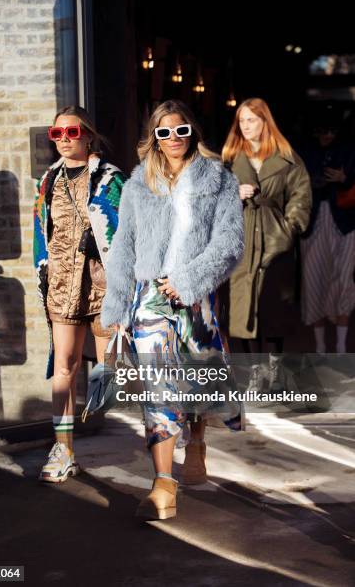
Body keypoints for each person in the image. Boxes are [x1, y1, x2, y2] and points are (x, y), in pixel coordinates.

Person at [101, 99, 244, 520]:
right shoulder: (136, 185)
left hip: (195, 296)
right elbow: (122, 248)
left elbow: (229, 243)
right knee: (157, 385)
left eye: (181, 130)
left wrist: (187, 281)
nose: (174, 139)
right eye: (164, 132)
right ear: (154, 138)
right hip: (149, 298)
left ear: (192, 132)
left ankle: (196, 440)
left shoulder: (217, 179)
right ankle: (164, 483)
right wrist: (117, 305)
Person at [34, 105, 127, 482]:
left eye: (71, 133)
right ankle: (64, 450)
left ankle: (158, 441)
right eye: (57, 134)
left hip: (103, 285)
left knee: (109, 371)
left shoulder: (110, 178)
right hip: (62, 284)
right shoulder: (48, 180)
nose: (63, 140)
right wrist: (44, 273)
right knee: (63, 368)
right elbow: (41, 234)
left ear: (88, 134)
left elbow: (128, 233)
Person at [222, 98, 312, 390]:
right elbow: (210, 199)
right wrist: (234, 194)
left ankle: (275, 369)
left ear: (265, 121)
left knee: (274, 309)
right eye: (242, 121)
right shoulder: (229, 158)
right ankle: (255, 373)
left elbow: (301, 197)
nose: (246, 126)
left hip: (276, 243)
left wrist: (289, 229)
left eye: (252, 120)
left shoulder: (287, 158)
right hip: (241, 243)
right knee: (241, 310)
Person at [300, 110, 355, 353]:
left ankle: (341, 348)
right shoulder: (304, 151)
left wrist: (345, 177)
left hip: (345, 223)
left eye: (331, 130)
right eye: (322, 130)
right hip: (313, 222)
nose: (326, 135)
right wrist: (310, 182)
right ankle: (321, 348)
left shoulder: (350, 150)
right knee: (314, 282)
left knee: (343, 281)